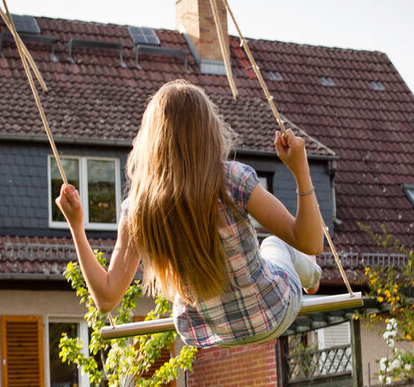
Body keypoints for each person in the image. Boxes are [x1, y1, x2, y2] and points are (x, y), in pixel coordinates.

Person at [56, 80, 323, 348]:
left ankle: (309, 274)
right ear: (209, 132)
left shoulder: (138, 209)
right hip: (272, 312)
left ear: (150, 141)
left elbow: (105, 299)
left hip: (208, 331)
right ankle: (311, 275)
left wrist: (76, 226)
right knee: (274, 243)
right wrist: (300, 169)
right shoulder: (231, 179)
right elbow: (310, 241)